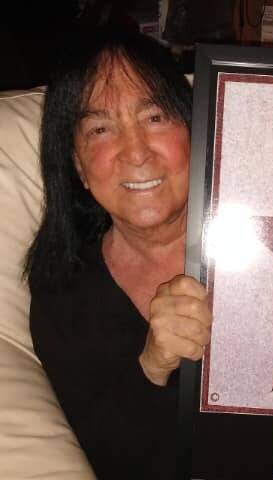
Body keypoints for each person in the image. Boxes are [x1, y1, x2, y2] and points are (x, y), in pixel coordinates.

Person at [25, 30, 212, 479]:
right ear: (77, 166)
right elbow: (95, 457)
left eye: (154, 117)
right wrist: (151, 367)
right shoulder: (63, 291)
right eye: (101, 129)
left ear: (195, 130)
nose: (135, 151)